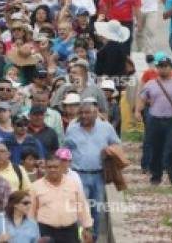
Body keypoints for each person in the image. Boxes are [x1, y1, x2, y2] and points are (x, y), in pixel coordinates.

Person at [62, 98, 120, 238]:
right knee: (79, 209)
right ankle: (80, 238)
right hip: (78, 174)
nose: (84, 116)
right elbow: (65, 149)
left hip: (98, 175)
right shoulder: (72, 127)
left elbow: (117, 145)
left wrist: (109, 151)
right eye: (81, 112)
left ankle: (93, 238)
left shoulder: (106, 127)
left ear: (96, 114)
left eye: (87, 113)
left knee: (97, 210)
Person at [134, 52, 172, 187]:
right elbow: (142, 99)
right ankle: (156, 177)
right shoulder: (151, 84)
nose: (163, 69)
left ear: (171, 67)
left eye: (165, 66)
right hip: (155, 120)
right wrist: (138, 111)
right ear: (157, 68)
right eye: (160, 66)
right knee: (156, 149)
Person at [29, 155, 92, 243]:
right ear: (45, 168)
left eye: (56, 167)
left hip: (70, 231)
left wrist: (87, 228)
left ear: (62, 168)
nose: (52, 169)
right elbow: (31, 213)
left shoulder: (73, 183)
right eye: (49, 167)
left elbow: (82, 206)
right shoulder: (35, 186)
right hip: (45, 231)